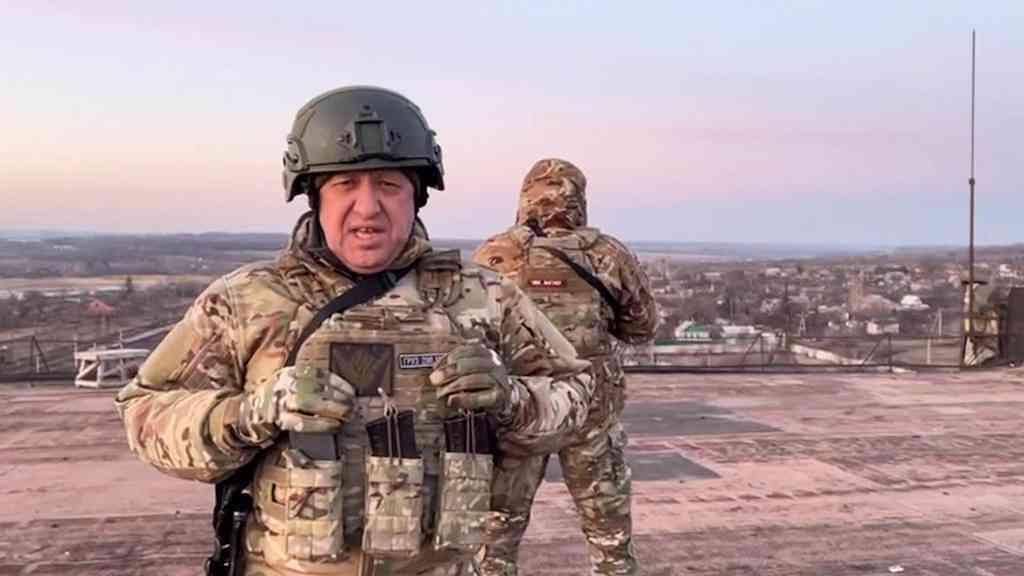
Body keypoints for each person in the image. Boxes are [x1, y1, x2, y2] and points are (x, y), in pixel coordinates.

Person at [114, 87, 596, 576]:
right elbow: (145, 414)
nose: (368, 208)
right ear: (314, 196)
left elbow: (577, 394)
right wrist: (250, 413)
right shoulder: (247, 301)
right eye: (345, 184)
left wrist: (511, 400)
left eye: (388, 184)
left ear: (417, 196)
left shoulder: (483, 297)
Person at [472, 159, 657, 576]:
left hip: (519, 412)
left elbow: (470, 331)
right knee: (609, 540)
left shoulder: (494, 254)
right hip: (591, 410)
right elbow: (642, 327)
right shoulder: (607, 254)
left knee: (495, 541)